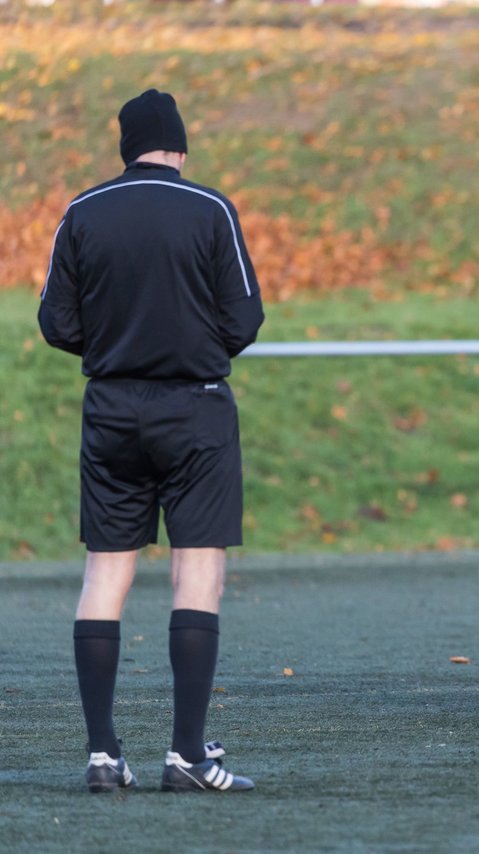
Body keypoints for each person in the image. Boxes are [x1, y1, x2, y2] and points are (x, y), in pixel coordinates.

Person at [38, 89, 263, 790]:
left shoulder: (83, 211)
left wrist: (113, 347)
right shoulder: (210, 208)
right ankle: (188, 755)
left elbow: (56, 322)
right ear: (180, 147)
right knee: (197, 571)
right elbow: (246, 318)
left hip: (109, 407)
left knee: (105, 575)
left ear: (125, 146)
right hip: (194, 407)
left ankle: (104, 755)